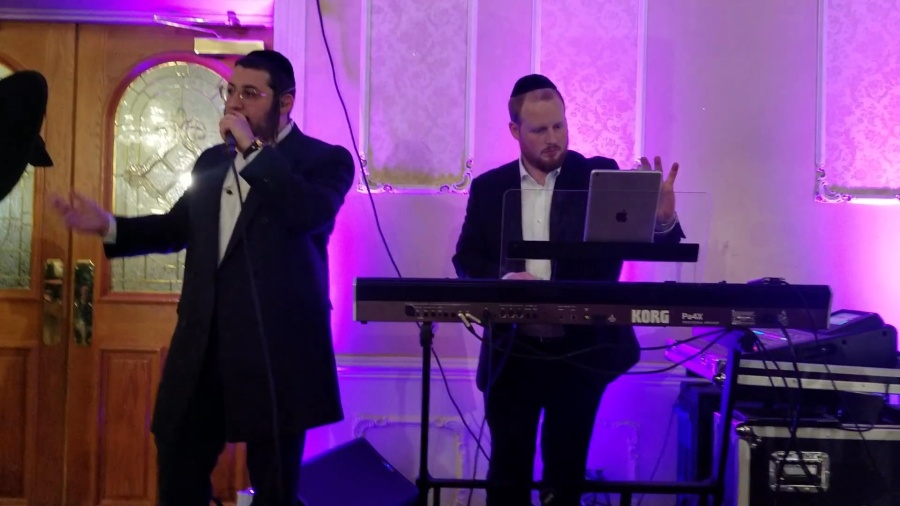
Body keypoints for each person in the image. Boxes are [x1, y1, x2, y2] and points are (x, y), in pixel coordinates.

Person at [52, 50, 354, 506]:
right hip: (202, 348)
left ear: (285, 101)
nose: (234, 103)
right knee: (177, 462)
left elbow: (307, 213)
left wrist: (253, 152)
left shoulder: (324, 160)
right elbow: (178, 228)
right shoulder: (212, 161)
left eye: (250, 93)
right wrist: (109, 226)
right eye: (230, 91)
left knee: (274, 485)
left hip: (276, 353)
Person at [452, 74, 685, 506]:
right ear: (514, 131)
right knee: (507, 476)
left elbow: (655, 246)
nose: (553, 138)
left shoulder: (598, 175)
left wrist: (661, 219)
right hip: (513, 353)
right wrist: (505, 282)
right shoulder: (488, 188)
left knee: (566, 474)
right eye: (539, 130)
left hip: (580, 353)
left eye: (559, 125)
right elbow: (465, 259)